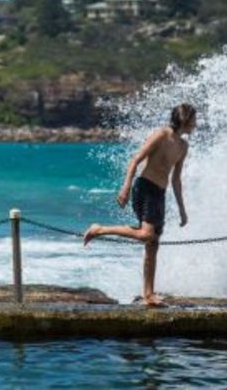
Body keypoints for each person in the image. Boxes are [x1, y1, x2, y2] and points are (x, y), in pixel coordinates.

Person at [83, 103, 197, 307]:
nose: (196, 124)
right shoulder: (162, 134)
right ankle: (99, 229)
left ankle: (148, 294)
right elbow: (136, 159)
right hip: (144, 187)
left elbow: (176, 180)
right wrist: (125, 187)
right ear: (186, 120)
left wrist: (182, 209)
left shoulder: (183, 146)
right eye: (194, 120)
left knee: (152, 245)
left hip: (159, 194)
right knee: (146, 235)